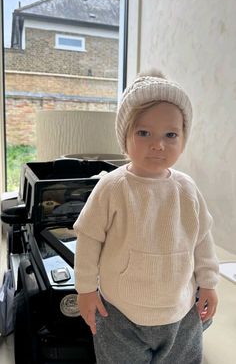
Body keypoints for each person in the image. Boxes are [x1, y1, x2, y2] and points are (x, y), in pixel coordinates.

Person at [73, 70, 219, 364]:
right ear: (124, 136)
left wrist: (209, 283)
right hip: (119, 313)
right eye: (143, 133)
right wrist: (86, 290)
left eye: (170, 134)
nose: (158, 144)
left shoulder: (187, 188)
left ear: (183, 138)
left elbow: (203, 240)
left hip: (181, 312)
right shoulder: (111, 187)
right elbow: (88, 240)